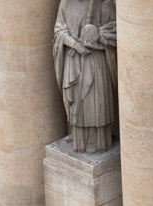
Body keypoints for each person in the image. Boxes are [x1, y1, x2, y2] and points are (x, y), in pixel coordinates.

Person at [53, 0, 118, 153]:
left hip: (96, 61)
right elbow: (58, 31)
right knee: (77, 102)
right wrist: (75, 44)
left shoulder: (105, 5)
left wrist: (97, 35)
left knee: (96, 101)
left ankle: (99, 141)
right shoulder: (66, 4)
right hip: (73, 59)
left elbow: (115, 33)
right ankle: (79, 138)